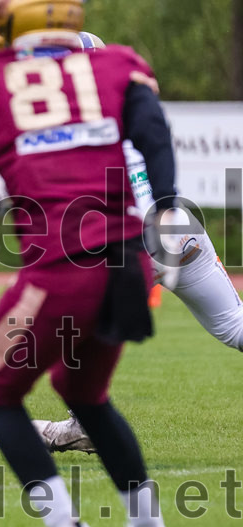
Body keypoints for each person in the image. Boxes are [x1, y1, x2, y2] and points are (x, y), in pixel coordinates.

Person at [0, 0, 190, 527]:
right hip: (128, 261)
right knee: (81, 389)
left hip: (62, 266)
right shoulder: (114, 66)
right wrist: (165, 204)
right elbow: (154, 136)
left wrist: (11, 197)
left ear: (8, 19)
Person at [32, 33, 243, 454]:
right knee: (235, 327)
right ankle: (83, 422)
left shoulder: (68, 125)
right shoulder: (126, 105)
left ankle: (83, 425)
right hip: (177, 227)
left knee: (64, 321)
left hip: (130, 240)